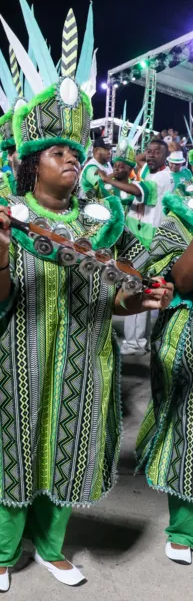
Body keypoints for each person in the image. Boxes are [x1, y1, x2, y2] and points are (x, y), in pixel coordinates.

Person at [0, 0, 173, 592]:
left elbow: (115, 295)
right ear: (30, 163)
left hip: (85, 357)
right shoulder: (2, 214)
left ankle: (51, 544)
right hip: (16, 357)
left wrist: (137, 301)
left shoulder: (101, 225)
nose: (71, 160)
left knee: (69, 446)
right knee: (13, 448)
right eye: (57, 152)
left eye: (75, 152)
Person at [134, 184, 193, 564]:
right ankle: (184, 530)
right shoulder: (180, 219)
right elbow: (181, 282)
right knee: (186, 432)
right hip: (186, 336)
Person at [122, 139, 174, 355]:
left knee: (136, 287)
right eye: (148, 151)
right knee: (139, 286)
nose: (150, 155)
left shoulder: (162, 177)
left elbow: (138, 191)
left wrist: (109, 180)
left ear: (165, 156)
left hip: (147, 239)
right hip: (141, 235)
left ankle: (135, 342)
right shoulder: (150, 171)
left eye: (156, 152)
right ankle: (137, 341)